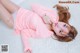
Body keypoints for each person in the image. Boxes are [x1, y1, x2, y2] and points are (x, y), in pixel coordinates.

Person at [0, 0, 77, 53]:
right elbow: (34, 6)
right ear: (66, 23)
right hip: (20, 11)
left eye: (60, 31)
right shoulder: (53, 15)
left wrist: (27, 47)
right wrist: (44, 15)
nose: (59, 26)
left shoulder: (44, 33)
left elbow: (25, 32)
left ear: (57, 34)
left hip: (14, 22)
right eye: (64, 25)